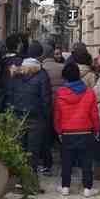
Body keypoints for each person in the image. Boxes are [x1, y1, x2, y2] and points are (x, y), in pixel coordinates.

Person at [54, 62, 100, 197]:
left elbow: (57, 115)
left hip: (67, 132)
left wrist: (58, 131)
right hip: (86, 131)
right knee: (87, 161)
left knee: (66, 161)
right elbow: (94, 114)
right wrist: (96, 130)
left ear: (65, 77)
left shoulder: (60, 93)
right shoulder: (89, 92)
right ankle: (87, 188)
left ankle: (65, 187)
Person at [9, 57, 52, 175]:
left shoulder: (16, 77)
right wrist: (47, 116)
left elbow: (11, 95)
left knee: (20, 147)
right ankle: (30, 177)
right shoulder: (42, 77)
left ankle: (19, 176)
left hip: (19, 115)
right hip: (36, 117)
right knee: (33, 149)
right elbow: (46, 99)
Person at [40, 43, 65, 175]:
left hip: (46, 106)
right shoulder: (62, 67)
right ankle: (65, 161)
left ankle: (47, 163)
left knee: (46, 136)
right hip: (61, 105)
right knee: (61, 134)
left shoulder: (40, 68)